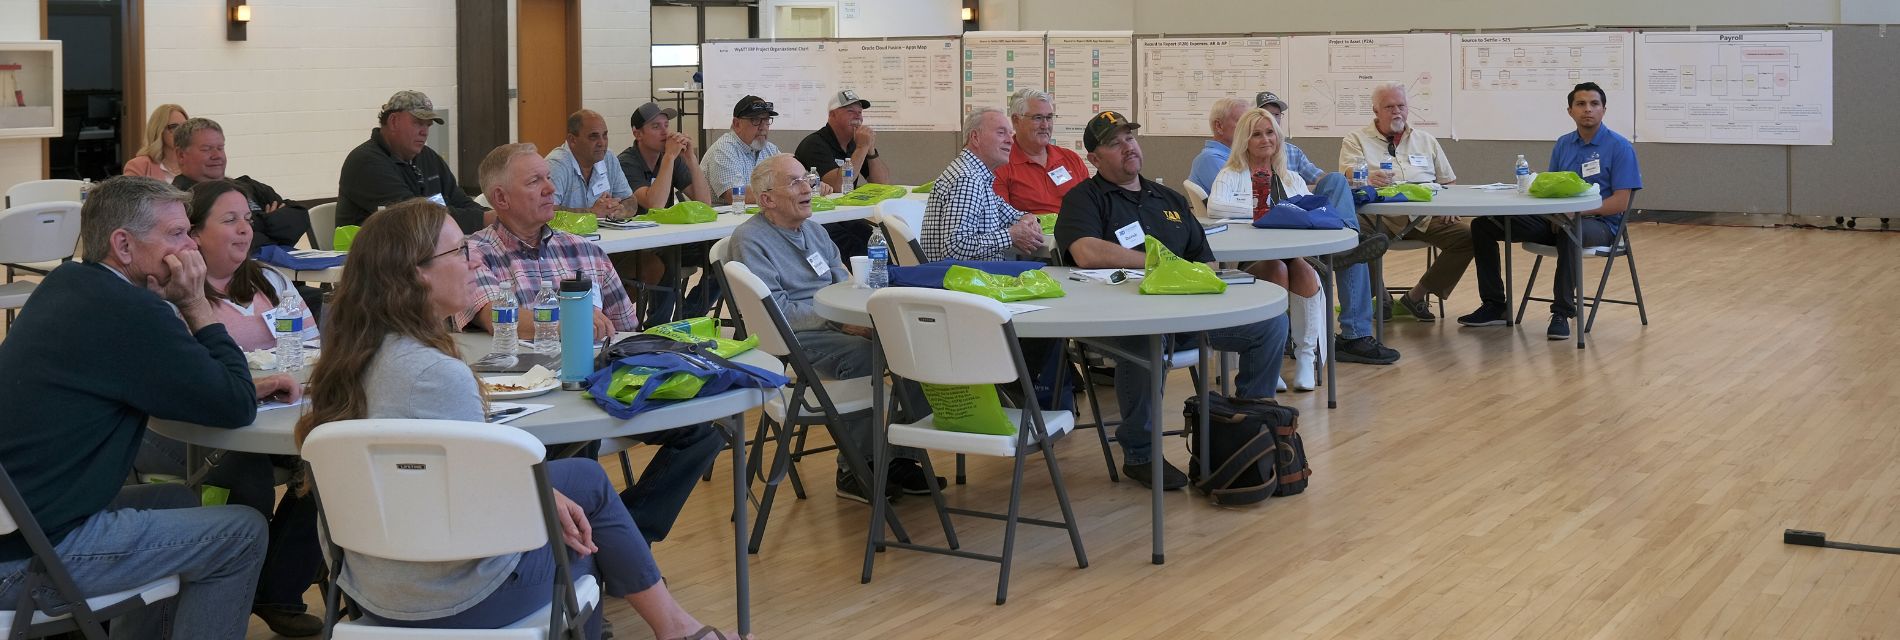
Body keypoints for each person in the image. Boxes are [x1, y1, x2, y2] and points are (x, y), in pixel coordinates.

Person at [292, 200, 749, 640]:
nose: (473, 263)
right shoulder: (437, 376)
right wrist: (537, 496)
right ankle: (676, 629)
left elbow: (455, 481)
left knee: (584, 480)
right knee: (579, 544)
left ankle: (675, 627)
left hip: (366, 585)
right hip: (456, 593)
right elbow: (481, 500)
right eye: (458, 251)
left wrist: (540, 491)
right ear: (417, 274)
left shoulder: (348, 359)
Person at [0, 176, 300, 640]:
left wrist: (231, 384)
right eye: (176, 235)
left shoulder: (69, 284)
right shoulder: (131, 312)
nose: (190, 249)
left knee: (178, 498)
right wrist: (198, 305)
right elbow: (234, 405)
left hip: (23, 522)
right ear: (123, 245)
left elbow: (205, 386)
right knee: (242, 533)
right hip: (32, 557)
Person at [458, 143, 719, 541]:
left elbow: (628, 328)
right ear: (500, 198)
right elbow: (492, 316)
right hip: (534, 399)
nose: (551, 189)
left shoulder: (583, 249)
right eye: (535, 182)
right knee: (578, 444)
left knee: (704, 427)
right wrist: (571, 321)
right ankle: (611, 546)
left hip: (602, 384)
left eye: (549, 177)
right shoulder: (477, 253)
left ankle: (623, 533)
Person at [130, 179, 325, 637]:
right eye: (230, 219)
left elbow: (312, 345)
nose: (244, 229)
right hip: (181, 429)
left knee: (327, 465)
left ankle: (276, 590)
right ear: (193, 233)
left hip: (273, 417)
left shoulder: (270, 280)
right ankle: (236, 588)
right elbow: (184, 376)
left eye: (248, 219)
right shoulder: (170, 290)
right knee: (249, 478)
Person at [1054, 112, 1289, 490]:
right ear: (1094, 159)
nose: (1128, 146)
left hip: (1188, 313)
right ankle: (1141, 453)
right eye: (1115, 143)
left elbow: (1206, 259)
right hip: (1123, 318)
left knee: (1269, 323)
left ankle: (1250, 424)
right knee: (1150, 337)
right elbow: (1085, 251)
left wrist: (1191, 276)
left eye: (1130, 138)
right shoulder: (1084, 199)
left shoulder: (1168, 198)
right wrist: (1157, 265)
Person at [728, 153, 936, 503]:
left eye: (806, 180)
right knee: (861, 357)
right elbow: (777, 312)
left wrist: (861, 318)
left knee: (908, 347)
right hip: (793, 336)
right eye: (794, 182)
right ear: (767, 199)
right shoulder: (750, 240)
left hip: (835, 323)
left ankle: (902, 457)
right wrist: (839, 320)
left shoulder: (813, 229)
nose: (808, 188)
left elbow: (843, 282)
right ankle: (856, 467)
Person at [1459, 82, 1642, 340]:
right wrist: (1546, 207)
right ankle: (1494, 305)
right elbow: (1552, 189)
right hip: (1557, 221)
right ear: (1570, 111)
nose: (1587, 109)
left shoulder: (1620, 147)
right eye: (1581, 104)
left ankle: (1562, 312)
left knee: (1571, 231)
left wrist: (1577, 213)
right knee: (1483, 225)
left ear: (1604, 110)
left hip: (1600, 225)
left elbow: (1621, 202)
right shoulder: (1564, 144)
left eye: (1594, 104)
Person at [1249, 91, 1397, 366]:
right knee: (1351, 250)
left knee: (1336, 182)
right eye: (1265, 123)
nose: (1271, 130)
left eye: (1277, 118)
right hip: (1274, 228)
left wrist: (1310, 192)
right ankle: (1348, 242)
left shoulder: (1292, 153)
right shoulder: (1236, 158)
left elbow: (1321, 182)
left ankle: (1347, 239)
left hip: (1305, 219)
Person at [1206, 108, 1329, 391]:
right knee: (1276, 267)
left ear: (1279, 136)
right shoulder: (1231, 173)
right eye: (1256, 134)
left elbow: (1309, 212)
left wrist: (1278, 212)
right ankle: (1267, 361)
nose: (1265, 139)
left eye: (1270, 132)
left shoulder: (1290, 177)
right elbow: (1215, 206)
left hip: (1291, 254)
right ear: (1244, 141)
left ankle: (1305, 358)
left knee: (1304, 270)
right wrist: (1263, 211)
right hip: (1247, 259)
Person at [1339, 81, 1474, 329]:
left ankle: (1416, 297)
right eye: (1389, 107)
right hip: (1378, 218)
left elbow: (1449, 181)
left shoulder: (1426, 140)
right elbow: (1346, 173)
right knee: (1356, 236)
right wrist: (1366, 176)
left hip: (1425, 217)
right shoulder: (1356, 139)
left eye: (1401, 105)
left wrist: (1451, 208)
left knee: (1468, 237)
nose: (1397, 111)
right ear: (1376, 111)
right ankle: (1382, 298)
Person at [618, 101, 719, 325]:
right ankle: (658, 327)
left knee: (722, 255)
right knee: (669, 259)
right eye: (656, 126)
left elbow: (704, 202)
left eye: (666, 125)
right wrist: (669, 159)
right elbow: (655, 204)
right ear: (637, 133)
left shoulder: (671, 159)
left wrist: (691, 159)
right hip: (637, 242)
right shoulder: (627, 162)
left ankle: (689, 317)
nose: (665, 132)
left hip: (667, 237)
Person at [337, 90, 493, 233]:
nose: (424, 132)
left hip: (419, 249)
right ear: (393, 121)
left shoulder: (428, 157)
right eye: (418, 123)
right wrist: (485, 219)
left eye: (428, 125)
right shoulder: (366, 163)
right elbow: (413, 216)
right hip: (372, 257)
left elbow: (459, 199)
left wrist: (492, 216)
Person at [170, 117, 314, 251]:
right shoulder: (178, 202)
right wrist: (269, 223)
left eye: (220, 148)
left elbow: (299, 216)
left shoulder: (248, 186)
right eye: (206, 149)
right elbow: (226, 246)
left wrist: (255, 227)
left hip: (285, 274)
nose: (217, 155)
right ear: (181, 155)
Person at [920, 107, 1043, 261]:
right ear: (976, 137)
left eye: (1010, 134)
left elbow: (1005, 212)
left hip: (975, 278)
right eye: (1001, 133)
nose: (1011, 140)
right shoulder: (967, 179)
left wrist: (1026, 218)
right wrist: (1010, 235)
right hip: (964, 281)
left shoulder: (977, 174)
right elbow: (955, 248)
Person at [793, 89, 889, 259]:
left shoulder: (857, 143)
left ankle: (886, 280)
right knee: (855, 247)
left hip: (843, 214)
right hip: (815, 218)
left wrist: (870, 149)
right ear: (833, 115)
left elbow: (882, 184)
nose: (857, 117)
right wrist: (861, 149)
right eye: (850, 111)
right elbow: (837, 186)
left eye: (859, 112)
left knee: (874, 242)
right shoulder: (814, 144)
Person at [991, 89, 1089, 214]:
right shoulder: (1000, 163)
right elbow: (999, 217)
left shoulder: (1071, 158)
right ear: (1016, 120)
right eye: (1037, 118)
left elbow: (1091, 206)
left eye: (1049, 117)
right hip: (1032, 232)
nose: (1045, 125)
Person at [547, 109, 635, 220]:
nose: (602, 143)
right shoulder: (557, 164)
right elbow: (546, 211)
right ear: (572, 140)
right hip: (564, 236)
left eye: (604, 135)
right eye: (594, 137)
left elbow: (631, 201)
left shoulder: (608, 158)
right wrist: (591, 213)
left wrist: (620, 210)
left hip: (606, 234)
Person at [700, 95, 784, 206]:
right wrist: (782, 193)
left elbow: (787, 178)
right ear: (737, 124)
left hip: (754, 216)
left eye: (766, 120)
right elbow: (735, 195)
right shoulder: (723, 149)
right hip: (725, 219)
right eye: (756, 120)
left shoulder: (770, 149)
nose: (763, 127)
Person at [123, 103, 189, 180]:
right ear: (158, 131)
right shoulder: (139, 166)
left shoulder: (195, 164)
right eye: (174, 127)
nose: (181, 131)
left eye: (184, 126)